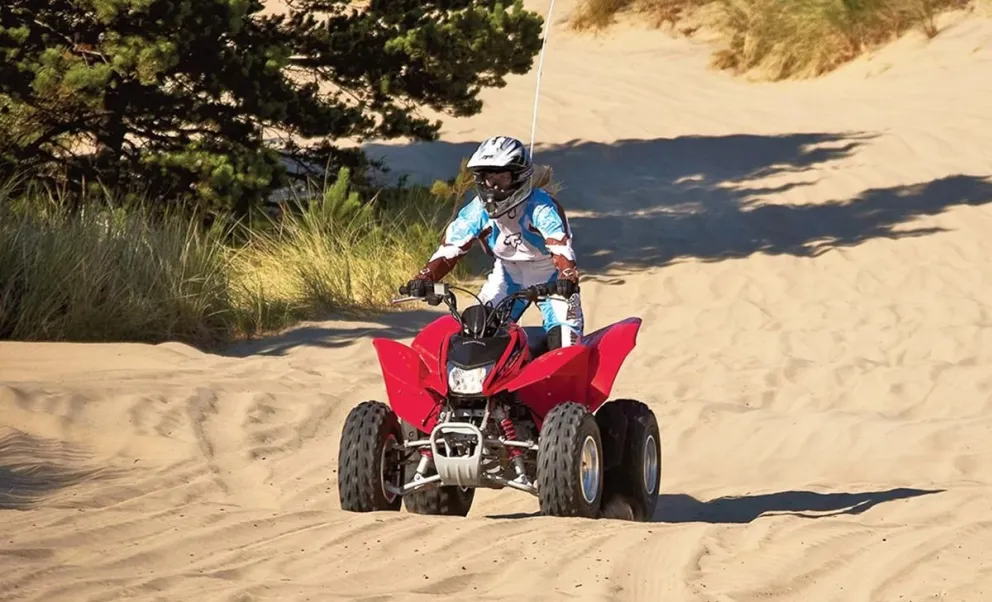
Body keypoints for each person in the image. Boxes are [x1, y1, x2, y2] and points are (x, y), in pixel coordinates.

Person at [403, 135, 584, 350]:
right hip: (507, 274)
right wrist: (425, 278)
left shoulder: (541, 207)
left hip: (550, 277)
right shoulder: (477, 210)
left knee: (566, 343)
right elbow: (452, 247)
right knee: (477, 332)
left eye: (502, 178)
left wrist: (567, 276)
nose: (493, 188)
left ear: (520, 177)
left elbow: (560, 247)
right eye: (488, 178)